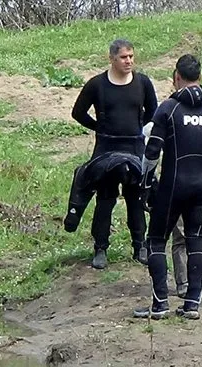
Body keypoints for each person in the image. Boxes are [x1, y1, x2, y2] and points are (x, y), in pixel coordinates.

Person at [133, 54, 202, 320]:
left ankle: (160, 304)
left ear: (176, 77)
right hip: (201, 188)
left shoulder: (168, 109)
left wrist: (144, 184)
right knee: (195, 240)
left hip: (172, 186)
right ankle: (191, 306)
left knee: (156, 241)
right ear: (200, 77)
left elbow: (152, 152)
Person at [69, 38, 158, 269]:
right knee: (105, 200)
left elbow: (153, 113)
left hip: (135, 148)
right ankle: (100, 248)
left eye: (131, 56)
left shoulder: (143, 83)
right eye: (123, 57)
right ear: (112, 59)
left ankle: (140, 246)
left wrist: (138, 129)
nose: (128, 61)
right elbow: (78, 112)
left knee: (136, 200)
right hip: (107, 149)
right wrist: (99, 127)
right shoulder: (97, 85)